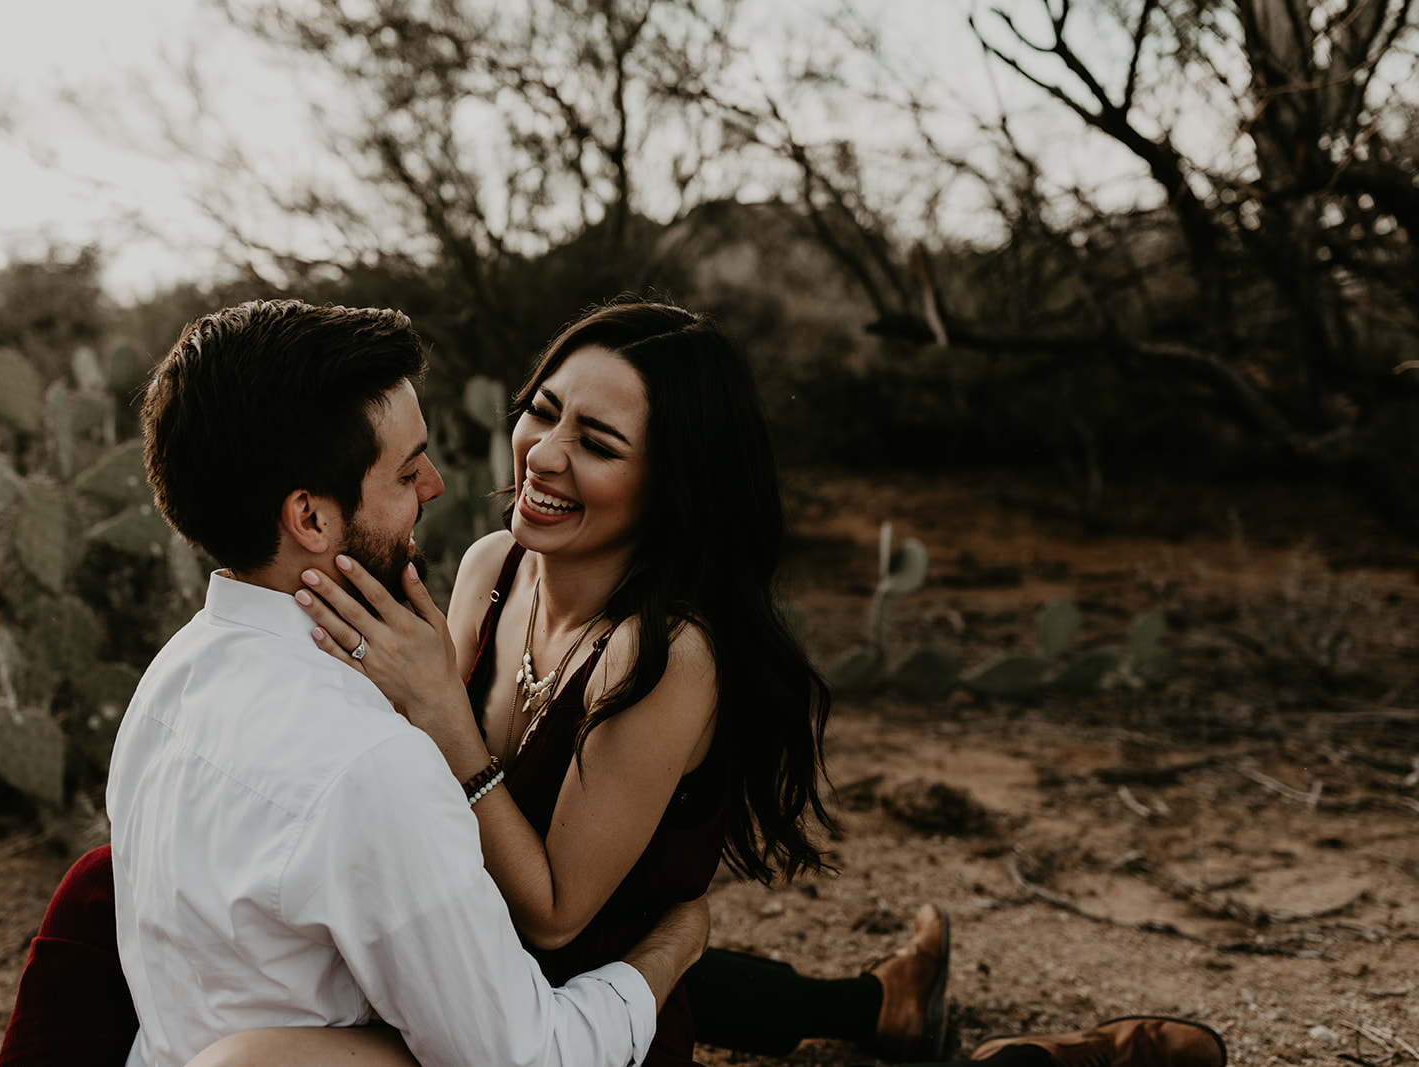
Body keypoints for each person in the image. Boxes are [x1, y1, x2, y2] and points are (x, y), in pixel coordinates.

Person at [290, 299, 1225, 1067]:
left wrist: (442, 716)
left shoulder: (662, 654)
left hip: (596, 1025)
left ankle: (1069, 1060)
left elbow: (556, 912)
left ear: (673, 479)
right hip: (471, 973)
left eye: (600, 442)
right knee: (664, 930)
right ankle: (879, 1004)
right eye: (543, 409)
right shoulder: (493, 567)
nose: (541, 453)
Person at [92, 299, 709, 1067]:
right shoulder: (371, 762)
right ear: (311, 520)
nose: (438, 483)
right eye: (408, 467)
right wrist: (666, 955)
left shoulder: (168, 681)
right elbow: (527, 1057)